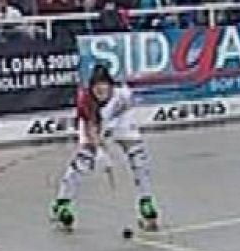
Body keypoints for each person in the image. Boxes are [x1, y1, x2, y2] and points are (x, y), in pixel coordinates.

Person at [52, 64, 161, 232]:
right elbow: (91, 129)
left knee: (138, 157)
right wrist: (101, 153)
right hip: (95, 123)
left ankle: (146, 202)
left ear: (111, 86)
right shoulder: (86, 100)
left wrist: (115, 132)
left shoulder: (123, 95)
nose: (100, 91)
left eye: (104, 86)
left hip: (120, 118)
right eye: (96, 87)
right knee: (83, 160)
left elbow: (126, 118)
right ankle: (63, 203)